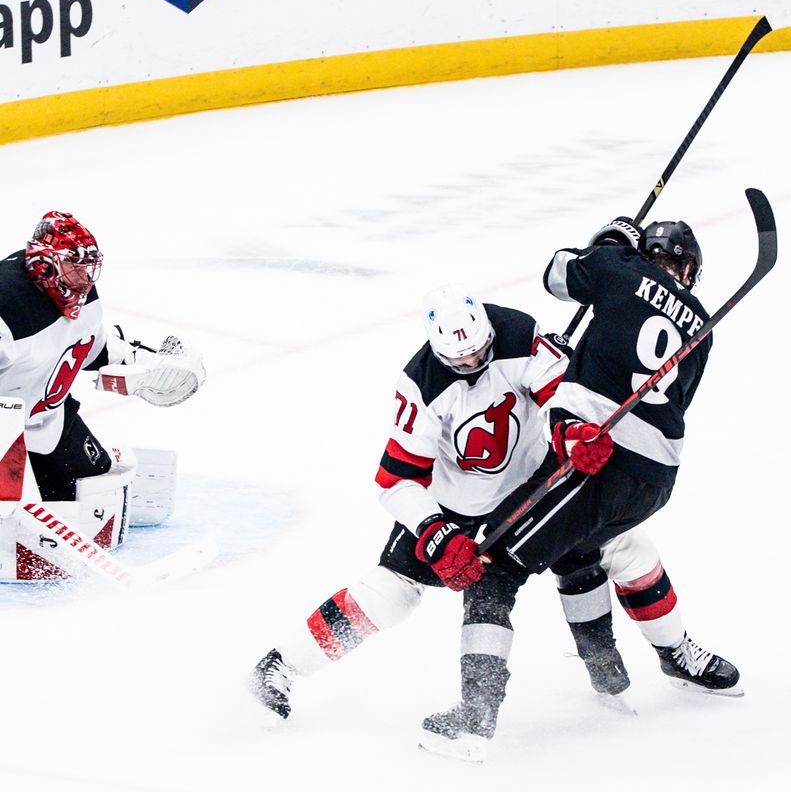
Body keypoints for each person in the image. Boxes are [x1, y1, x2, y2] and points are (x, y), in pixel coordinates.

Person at [249, 283, 733, 719]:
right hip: (457, 504)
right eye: (458, 361)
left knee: (625, 547)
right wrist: (436, 532)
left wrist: (571, 432)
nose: (471, 363)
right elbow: (396, 482)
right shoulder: (419, 384)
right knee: (391, 593)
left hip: (537, 486)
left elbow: (562, 390)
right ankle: (282, 665)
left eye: (479, 351)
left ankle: (676, 653)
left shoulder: (518, 332)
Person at [419, 219, 740, 761]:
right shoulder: (703, 325)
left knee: (494, 568)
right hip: (656, 478)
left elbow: (556, 273)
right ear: (688, 268)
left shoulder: (620, 270)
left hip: (596, 459)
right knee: (583, 549)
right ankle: (610, 673)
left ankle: (475, 718)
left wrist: (609, 245)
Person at [0, 211, 204, 580]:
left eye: (89, 267)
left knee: (95, 500)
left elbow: (91, 344)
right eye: (74, 267)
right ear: (46, 263)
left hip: (48, 419)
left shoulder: (80, 292)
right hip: (3, 431)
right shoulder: (6, 303)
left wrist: (141, 362)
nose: (84, 278)